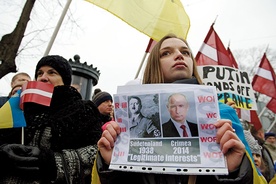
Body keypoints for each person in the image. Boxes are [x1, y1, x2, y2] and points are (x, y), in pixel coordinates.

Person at [93, 34, 258, 184]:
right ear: (153, 65)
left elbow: (257, 179)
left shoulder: (223, 114)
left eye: (186, 52)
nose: (179, 55)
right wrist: (109, 166)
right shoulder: (125, 120)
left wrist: (235, 171)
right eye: (166, 53)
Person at [0, 55, 102, 183]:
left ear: (64, 79)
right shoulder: (21, 107)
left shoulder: (83, 110)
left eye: (52, 72)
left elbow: (95, 153)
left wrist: (50, 162)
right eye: (39, 73)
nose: (43, 77)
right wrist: (3, 152)